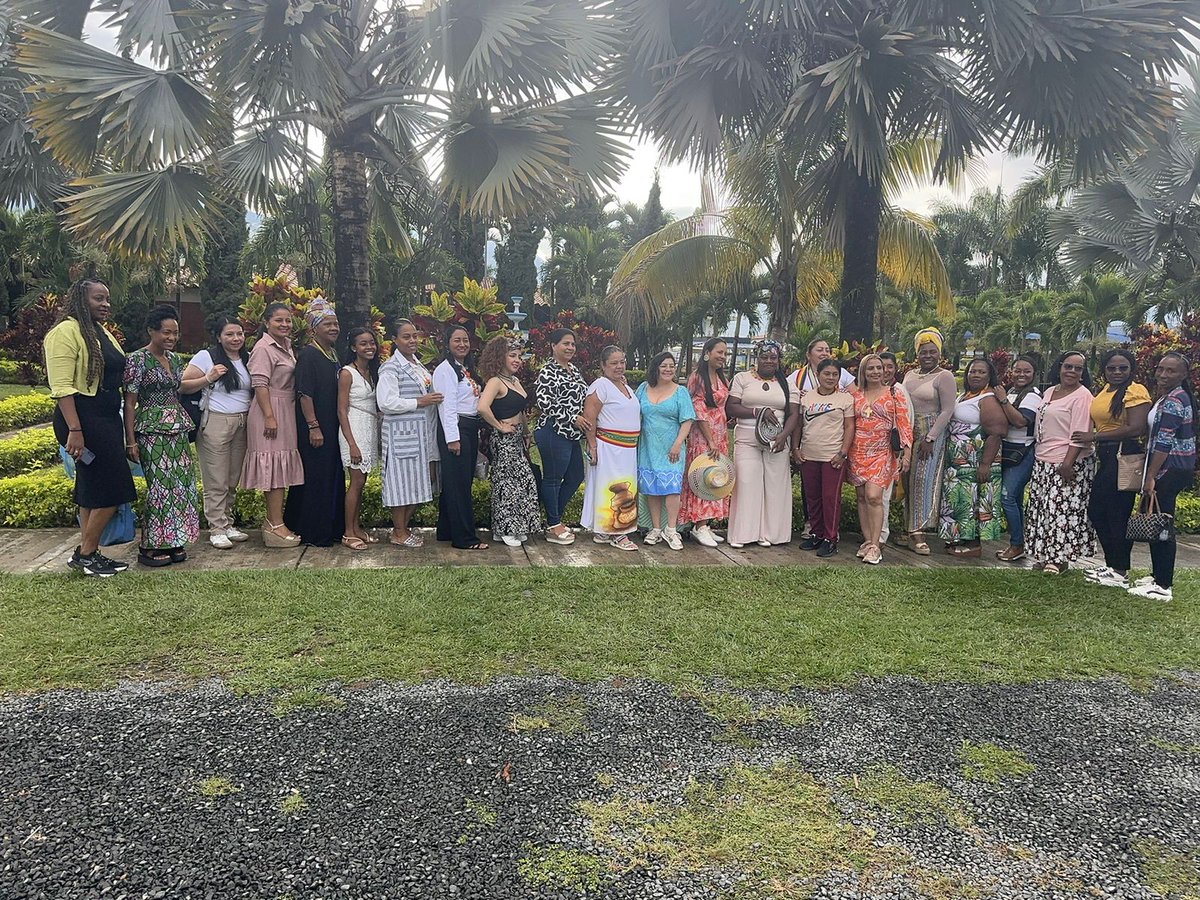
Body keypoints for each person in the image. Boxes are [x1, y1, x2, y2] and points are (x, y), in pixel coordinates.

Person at [44, 278, 136, 576]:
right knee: (115, 486)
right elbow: (62, 388)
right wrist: (75, 430)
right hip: (82, 419)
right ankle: (86, 553)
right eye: (98, 298)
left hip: (106, 417)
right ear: (80, 300)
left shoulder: (101, 333)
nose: (105, 304)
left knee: (91, 488)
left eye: (107, 298)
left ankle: (87, 554)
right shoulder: (64, 333)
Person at [122, 305, 201, 566]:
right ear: (151, 331)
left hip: (176, 428)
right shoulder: (137, 359)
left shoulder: (176, 359)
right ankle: (150, 546)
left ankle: (174, 538)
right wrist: (130, 439)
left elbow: (180, 388)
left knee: (181, 485)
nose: (171, 338)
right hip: (150, 429)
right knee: (159, 487)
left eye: (175, 333)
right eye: (166, 332)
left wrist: (208, 378)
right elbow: (130, 402)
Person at [1071, 348, 1150, 589]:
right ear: (1104, 370)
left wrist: (1094, 437)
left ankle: (1120, 570)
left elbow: (1136, 428)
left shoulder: (1135, 391)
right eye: (1111, 368)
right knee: (1099, 512)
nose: (1117, 372)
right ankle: (1113, 565)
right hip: (1107, 456)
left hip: (1124, 455)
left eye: (1122, 368)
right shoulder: (1106, 390)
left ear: (1131, 369)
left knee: (1115, 514)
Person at [1130, 351, 1197, 601]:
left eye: (1171, 371)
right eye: (1161, 369)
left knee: (1162, 524)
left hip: (1168, 469)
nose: (1163, 374)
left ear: (1183, 374)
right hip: (1172, 468)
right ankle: (1158, 575)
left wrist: (1151, 476)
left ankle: (1163, 584)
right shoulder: (1171, 396)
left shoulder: (1174, 400)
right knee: (1157, 520)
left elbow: (1164, 442)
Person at [182, 317, 253, 550]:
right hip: (215, 421)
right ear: (219, 337)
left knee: (233, 478)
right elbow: (182, 385)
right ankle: (217, 528)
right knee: (216, 478)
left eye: (239, 334)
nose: (236, 339)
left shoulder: (247, 358)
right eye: (230, 334)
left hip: (243, 422)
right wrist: (208, 378)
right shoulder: (206, 357)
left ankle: (228, 523)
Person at [1025, 351, 1096, 575]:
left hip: (1067, 461)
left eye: (1078, 368)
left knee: (1061, 511)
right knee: (1043, 509)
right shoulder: (1050, 391)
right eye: (1068, 366)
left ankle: (1058, 559)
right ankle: (1045, 554)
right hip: (1043, 458)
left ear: (1084, 373)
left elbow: (1080, 432)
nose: (1072, 372)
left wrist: (1068, 463)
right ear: (1060, 367)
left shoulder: (1083, 396)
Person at [282, 300, 345, 547]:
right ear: (314, 328)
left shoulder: (331, 354)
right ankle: (312, 531)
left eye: (335, 324)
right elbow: (304, 394)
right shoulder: (309, 355)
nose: (333, 328)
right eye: (327, 324)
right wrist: (313, 426)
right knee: (315, 478)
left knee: (329, 475)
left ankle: (331, 528)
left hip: (331, 425)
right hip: (316, 427)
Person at [242, 302, 305, 547]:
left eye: (288, 320)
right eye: (279, 320)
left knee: (281, 468)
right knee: (274, 469)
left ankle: (275, 521)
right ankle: (274, 524)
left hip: (286, 409)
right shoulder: (263, 348)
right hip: (271, 410)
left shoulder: (286, 347)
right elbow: (260, 384)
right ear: (267, 322)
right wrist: (269, 415)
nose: (285, 325)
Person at [377, 319, 443, 548]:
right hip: (401, 435)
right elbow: (386, 402)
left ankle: (402, 528)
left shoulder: (417, 364)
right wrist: (420, 401)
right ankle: (399, 531)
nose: (412, 340)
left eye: (415, 336)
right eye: (406, 336)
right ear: (394, 340)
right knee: (400, 484)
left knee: (420, 482)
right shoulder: (390, 367)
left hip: (421, 433)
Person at [725, 339, 795, 548]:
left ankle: (771, 535)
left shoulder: (786, 383)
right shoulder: (742, 378)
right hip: (747, 439)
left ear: (779, 360)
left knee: (775, 486)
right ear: (757, 358)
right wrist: (757, 412)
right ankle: (743, 535)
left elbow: (794, 414)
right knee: (747, 483)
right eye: (764, 357)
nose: (769, 361)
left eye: (773, 357)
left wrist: (784, 436)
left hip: (777, 441)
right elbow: (731, 408)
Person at [477, 335, 543, 546]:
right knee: (507, 484)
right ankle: (505, 529)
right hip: (503, 439)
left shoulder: (514, 381)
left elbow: (520, 410)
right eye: (512, 356)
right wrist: (500, 426)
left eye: (519, 356)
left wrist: (525, 432)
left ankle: (513, 526)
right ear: (500, 357)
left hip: (516, 438)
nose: (517, 360)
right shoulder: (495, 381)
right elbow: (482, 408)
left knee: (524, 481)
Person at [849, 353, 913, 565]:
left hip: (882, 452)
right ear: (863, 372)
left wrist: (907, 454)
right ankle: (867, 541)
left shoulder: (894, 394)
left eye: (879, 368)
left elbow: (904, 425)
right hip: (857, 451)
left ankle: (877, 544)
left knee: (874, 496)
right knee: (861, 498)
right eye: (871, 368)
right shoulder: (856, 395)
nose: (876, 372)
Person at [939, 358, 1007, 556]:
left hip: (976, 459)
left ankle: (974, 545)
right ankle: (960, 537)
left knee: (975, 500)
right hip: (960, 462)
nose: (975, 375)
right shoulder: (965, 395)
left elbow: (996, 431)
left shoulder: (988, 397)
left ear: (989, 376)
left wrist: (985, 464)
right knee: (962, 499)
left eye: (981, 372)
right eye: (972, 371)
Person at [636, 351, 702, 550]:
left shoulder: (680, 392)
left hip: (672, 447)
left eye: (671, 366)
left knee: (672, 488)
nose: (668, 369)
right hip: (648, 447)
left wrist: (677, 444)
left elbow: (688, 419)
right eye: (664, 365)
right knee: (651, 487)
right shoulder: (643, 388)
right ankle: (656, 529)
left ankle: (671, 529)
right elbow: (632, 409)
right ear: (656, 367)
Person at [534, 328, 591, 545]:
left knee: (576, 475)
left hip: (571, 434)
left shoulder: (573, 370)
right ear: (553, 346)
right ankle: (553, 525)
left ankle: (552, 516)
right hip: (553, 430)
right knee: (553, 478)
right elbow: (545, 402)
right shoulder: (548, 371)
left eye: (573, 344)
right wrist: (572, 417)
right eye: (565, 343)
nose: (570, 348)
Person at [901, 327, 956, 554]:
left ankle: (919, 534)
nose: (928, 356)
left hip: (930, 433)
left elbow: (948, 410)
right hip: (909, 431)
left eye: (932, 352)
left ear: (939, 352)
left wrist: (931, 437)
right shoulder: (909, 375)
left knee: (923, 481)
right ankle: (907, 529)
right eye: (924, 352)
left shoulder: (944, 376)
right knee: (906, 481)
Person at [582, 345, 642, 551]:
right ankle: (617, 532)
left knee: (625, 487)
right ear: (603, 365)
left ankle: (604, 531)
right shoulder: (600, 386)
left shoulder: (626, 387)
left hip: (627, 449)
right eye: (614, 363)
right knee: (615, 490)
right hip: (609, 447)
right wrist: (592, 445)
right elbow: (590, 417)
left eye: (622, 362)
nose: (619, 366)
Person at [793, 358, 855, 557]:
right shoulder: (806, 398)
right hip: (809, 455)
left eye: (835, 374)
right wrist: (795, 448)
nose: (830, 378)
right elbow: (799, 426)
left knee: (830, 498)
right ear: (817, 375)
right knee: (813, 497)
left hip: (832, 457)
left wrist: (843, 453)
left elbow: (849, 427)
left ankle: (830, 538)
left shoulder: (845, 399)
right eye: (826, 374)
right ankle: (817, 534)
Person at [434, 323, 487, 550]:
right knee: (459, 486)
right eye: (457, 340)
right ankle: (465, 538)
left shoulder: (464, 369)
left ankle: (446, 530)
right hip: (456, 429)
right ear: (447, 344)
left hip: (469, 428)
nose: (462, 344)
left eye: (465, 340)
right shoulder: (445, 370)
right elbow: (447, 407)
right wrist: (452, 439)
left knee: (457, 483)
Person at [680, 337, 731, 546]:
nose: (722, 357)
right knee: (703, 476)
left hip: (720, 434)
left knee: (716, 477)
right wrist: (710, 440)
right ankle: (699, 525)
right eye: (719, 352)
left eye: (725, 353)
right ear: (707, 353)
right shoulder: (697, 377)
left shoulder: (721, 377)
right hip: (704, 437)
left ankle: (706, 524)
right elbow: (698, 411)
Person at [994, 355, 1043, 562]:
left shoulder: (1032, 395)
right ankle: (1020, 542)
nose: (1021, 374)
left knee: (1007, 497)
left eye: (1026, 371)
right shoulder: (1013, 392)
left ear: (1034, 374)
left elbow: (1021, 420)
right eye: (1017, 370)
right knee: (1014, 499)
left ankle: (1017, 544)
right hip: (1007, 450)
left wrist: (1003, 401)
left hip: (1023, 451)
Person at [337, 326, 381, 551]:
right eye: (363, 343)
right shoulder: (347, 372)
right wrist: (352, 443)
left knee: (361, 482)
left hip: (368, 428)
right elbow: (341, 410)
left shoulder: (372, 371)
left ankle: (356, 528)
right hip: (353, 429)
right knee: (356, 482)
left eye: (371, 343)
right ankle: (347, 532)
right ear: (354, 347)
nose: (369, 347)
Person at [877, 351, 912, 546]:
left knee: (883, 496)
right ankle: (871, 533)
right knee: (869, 497)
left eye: (889, 366)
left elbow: (906, 424)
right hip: (868, 452)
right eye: (881, 367)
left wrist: (906, 453)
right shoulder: (869, 390)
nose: (885, 371)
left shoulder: (897, 391)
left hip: (891, 452)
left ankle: (881, 536)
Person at [788, 338, 856, 392]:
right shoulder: (796, 376)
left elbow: (855, 396)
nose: (824, 353)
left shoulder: (842, 372)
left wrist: (846, 394)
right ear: (808, 355)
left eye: (827, 351)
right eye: (820, 350)